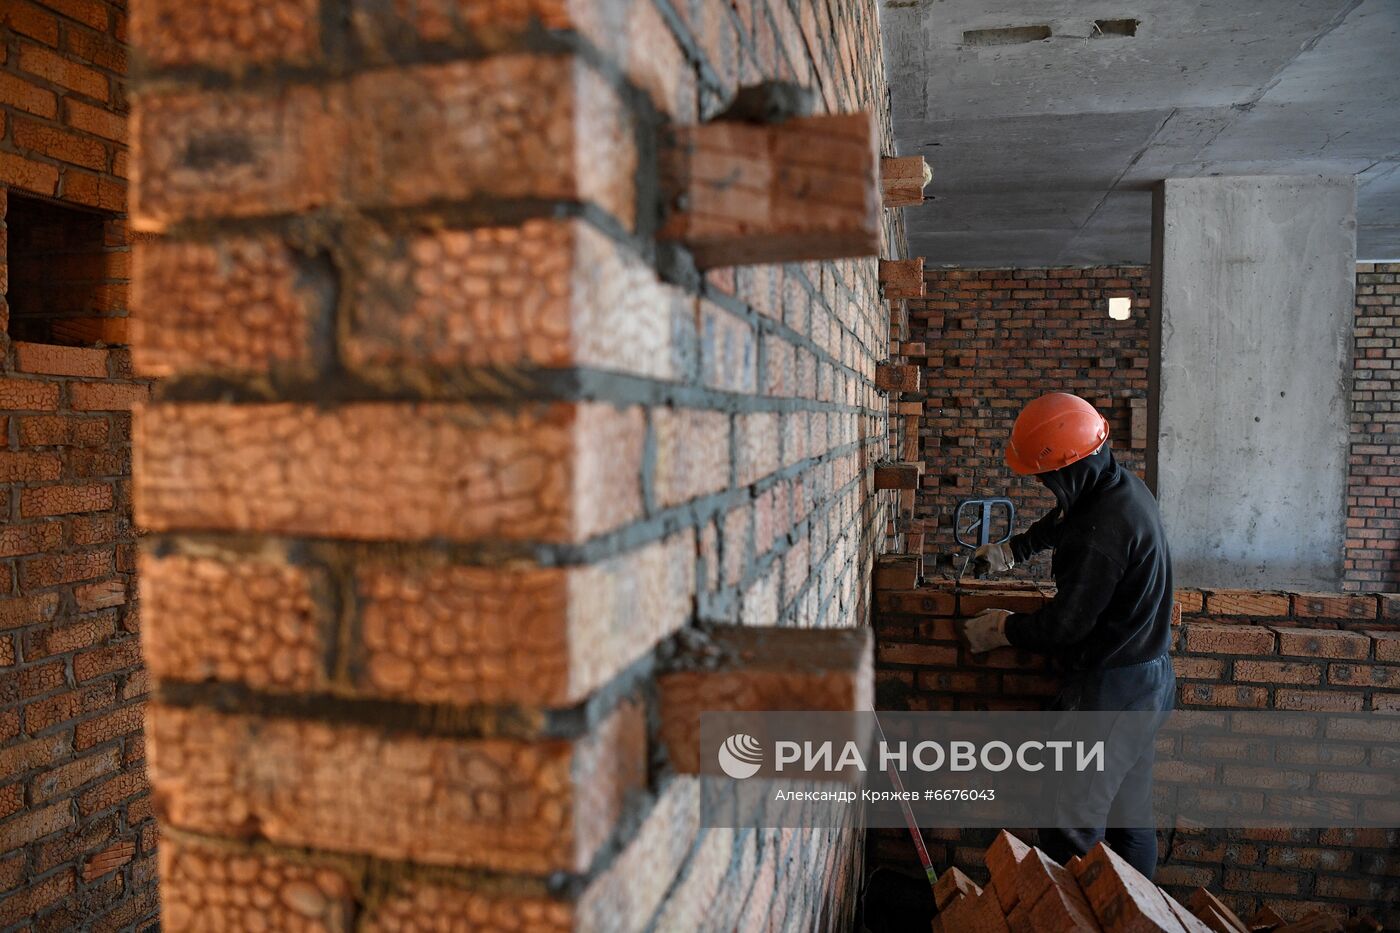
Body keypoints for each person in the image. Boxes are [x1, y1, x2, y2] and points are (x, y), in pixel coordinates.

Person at [959, 392, 1175, 879]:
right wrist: (1015, 549)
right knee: (1129, 820)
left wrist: (1002, 629)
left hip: (1114, 693)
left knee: (1070, 827)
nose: (1042, 484)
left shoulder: (1103, 531)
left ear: (1069, 468)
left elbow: (1066, 625)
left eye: (1046, 476)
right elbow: (1068, 520)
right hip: (1150, 681)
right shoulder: (1120, 488)